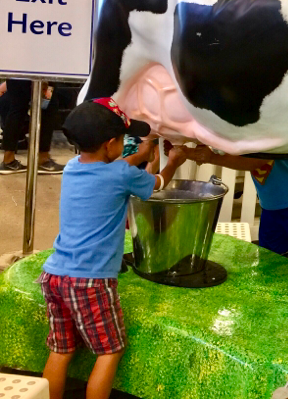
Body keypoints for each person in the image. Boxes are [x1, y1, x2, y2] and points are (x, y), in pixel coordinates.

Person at [38, 98, 186, 399]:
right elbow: (157, 183)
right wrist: (173, 162)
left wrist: (141, 154)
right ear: (109, 144)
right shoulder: (120, 174)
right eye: (123, 139)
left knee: (61, 350)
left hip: (54, 275)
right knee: (110, 351)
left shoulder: (71, 167)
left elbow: (113, 171)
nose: (126, 145)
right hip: (89, 282)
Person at [183, 147, 288, 273]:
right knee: (270, 262)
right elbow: (224, 148)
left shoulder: (274, 128)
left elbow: (256, 161)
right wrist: (186, 152)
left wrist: (209, 157)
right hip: (271, 210)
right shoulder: (248, 133)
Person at [0, 79, 64, 174]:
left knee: (17, 108)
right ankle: (43, 159)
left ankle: (8, 159)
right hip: (39, 72)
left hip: (15, 71)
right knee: (48, 107)